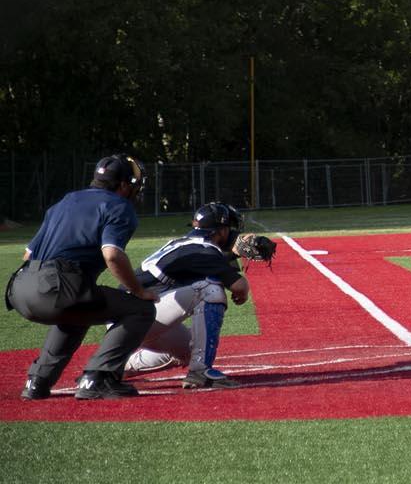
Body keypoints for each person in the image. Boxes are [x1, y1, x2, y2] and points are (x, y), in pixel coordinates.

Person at [6, 155, 157, 401]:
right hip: (55, 287)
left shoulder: (67, 200)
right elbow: (112, 255)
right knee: (141, 309)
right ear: (123, 185)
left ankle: (37, 381)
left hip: (20, 287)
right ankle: (99, 377)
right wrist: (139, 290)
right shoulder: (119, 206)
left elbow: (28, 254)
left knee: (80, 307)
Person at [123, 202, 253, 389]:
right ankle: (201, 371)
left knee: (190, 351)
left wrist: (230, 257)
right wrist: (244, 292)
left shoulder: (184, 244)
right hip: (138, 315)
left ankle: (116, 367)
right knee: (210, 289)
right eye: (229, 229)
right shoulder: (204, 250)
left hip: (130, 314)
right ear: (221, 231)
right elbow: (239, 286)